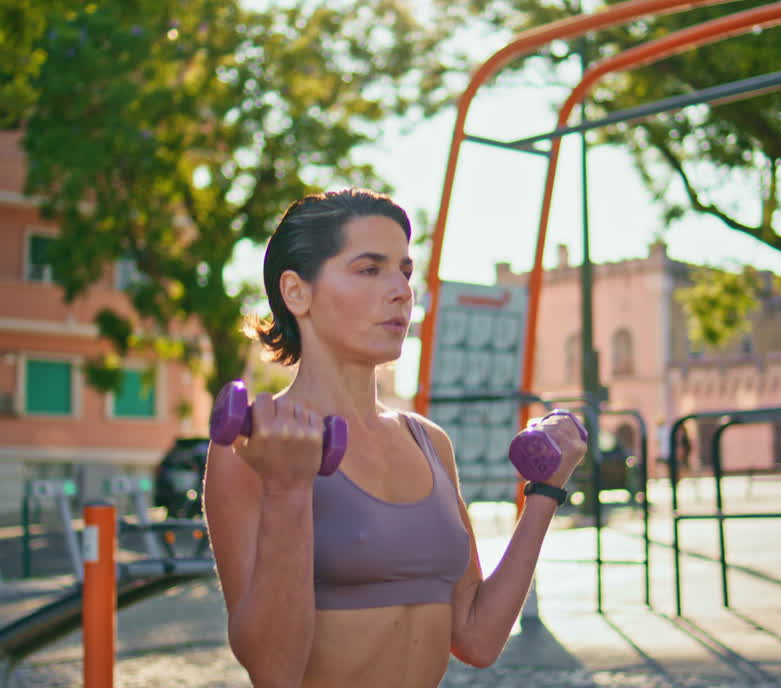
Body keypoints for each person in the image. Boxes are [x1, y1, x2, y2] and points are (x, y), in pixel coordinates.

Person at [203, 188, 587, 687]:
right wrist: (288, 489)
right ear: (297, 292)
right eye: (369, 269)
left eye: (404, 272)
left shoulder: (428, 442)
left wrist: (545, 491)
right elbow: (274, 672)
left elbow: (476, 638)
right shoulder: (252, 446)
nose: (402, 291)